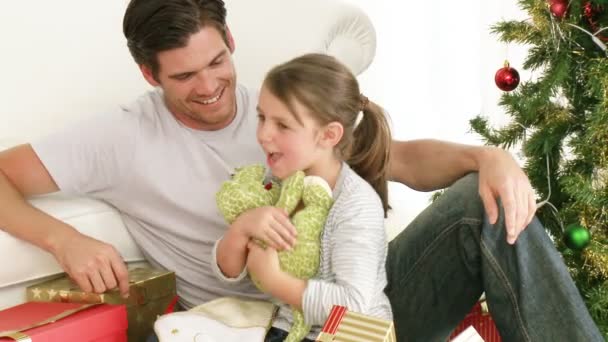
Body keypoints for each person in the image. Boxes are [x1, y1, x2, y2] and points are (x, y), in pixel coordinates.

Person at [0, 0, 602, 341]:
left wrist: (487, 157)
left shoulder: (278, 103)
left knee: (481, 199)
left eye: (218, 61)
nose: (211, 88)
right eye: (184, 77)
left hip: (365, 315)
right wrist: (64, 237)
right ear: (149, 75)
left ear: (230, 38)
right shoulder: (119, 137)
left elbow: (396, 158)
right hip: (282, 327)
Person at [214, 53, 392, 341]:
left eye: (282, 125)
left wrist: (277, 282)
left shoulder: (355, 206)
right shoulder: (274, 185)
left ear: (328, 135)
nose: (263, 134)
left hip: (350, 334)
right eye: (262, 118)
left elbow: (355, 306)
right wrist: (242, 228)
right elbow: (228, 270)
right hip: (285, 329)